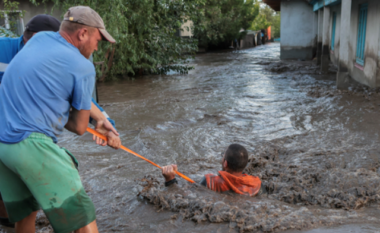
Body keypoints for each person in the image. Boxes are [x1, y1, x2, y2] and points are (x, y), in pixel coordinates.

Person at [0, 6, 116, 233]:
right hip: (30, 145)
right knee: (83, 217)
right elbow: (80, 127)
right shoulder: (83, 66)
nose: (97, 46)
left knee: (26, 216)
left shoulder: (38, 39)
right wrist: (100, 127)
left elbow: (42, 95)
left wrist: (101, 119)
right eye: (98, 39)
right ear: (82, 34)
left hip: (2, 146)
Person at [162, 144, 261, 196]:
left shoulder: (209, 182)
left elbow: (183, 196)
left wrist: (170, 180)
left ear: (225, 163)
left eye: (223, 156)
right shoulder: (257, 184)